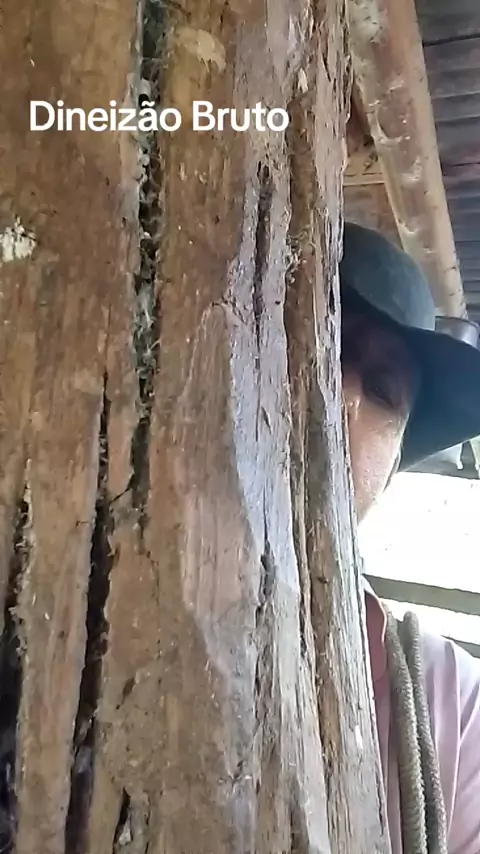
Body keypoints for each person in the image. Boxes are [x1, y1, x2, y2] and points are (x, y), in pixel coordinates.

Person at [339, 222, 480, 854]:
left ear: (393, 465)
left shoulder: (456, 707)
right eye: (318, 343)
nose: (341, 396)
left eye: (382, 389)